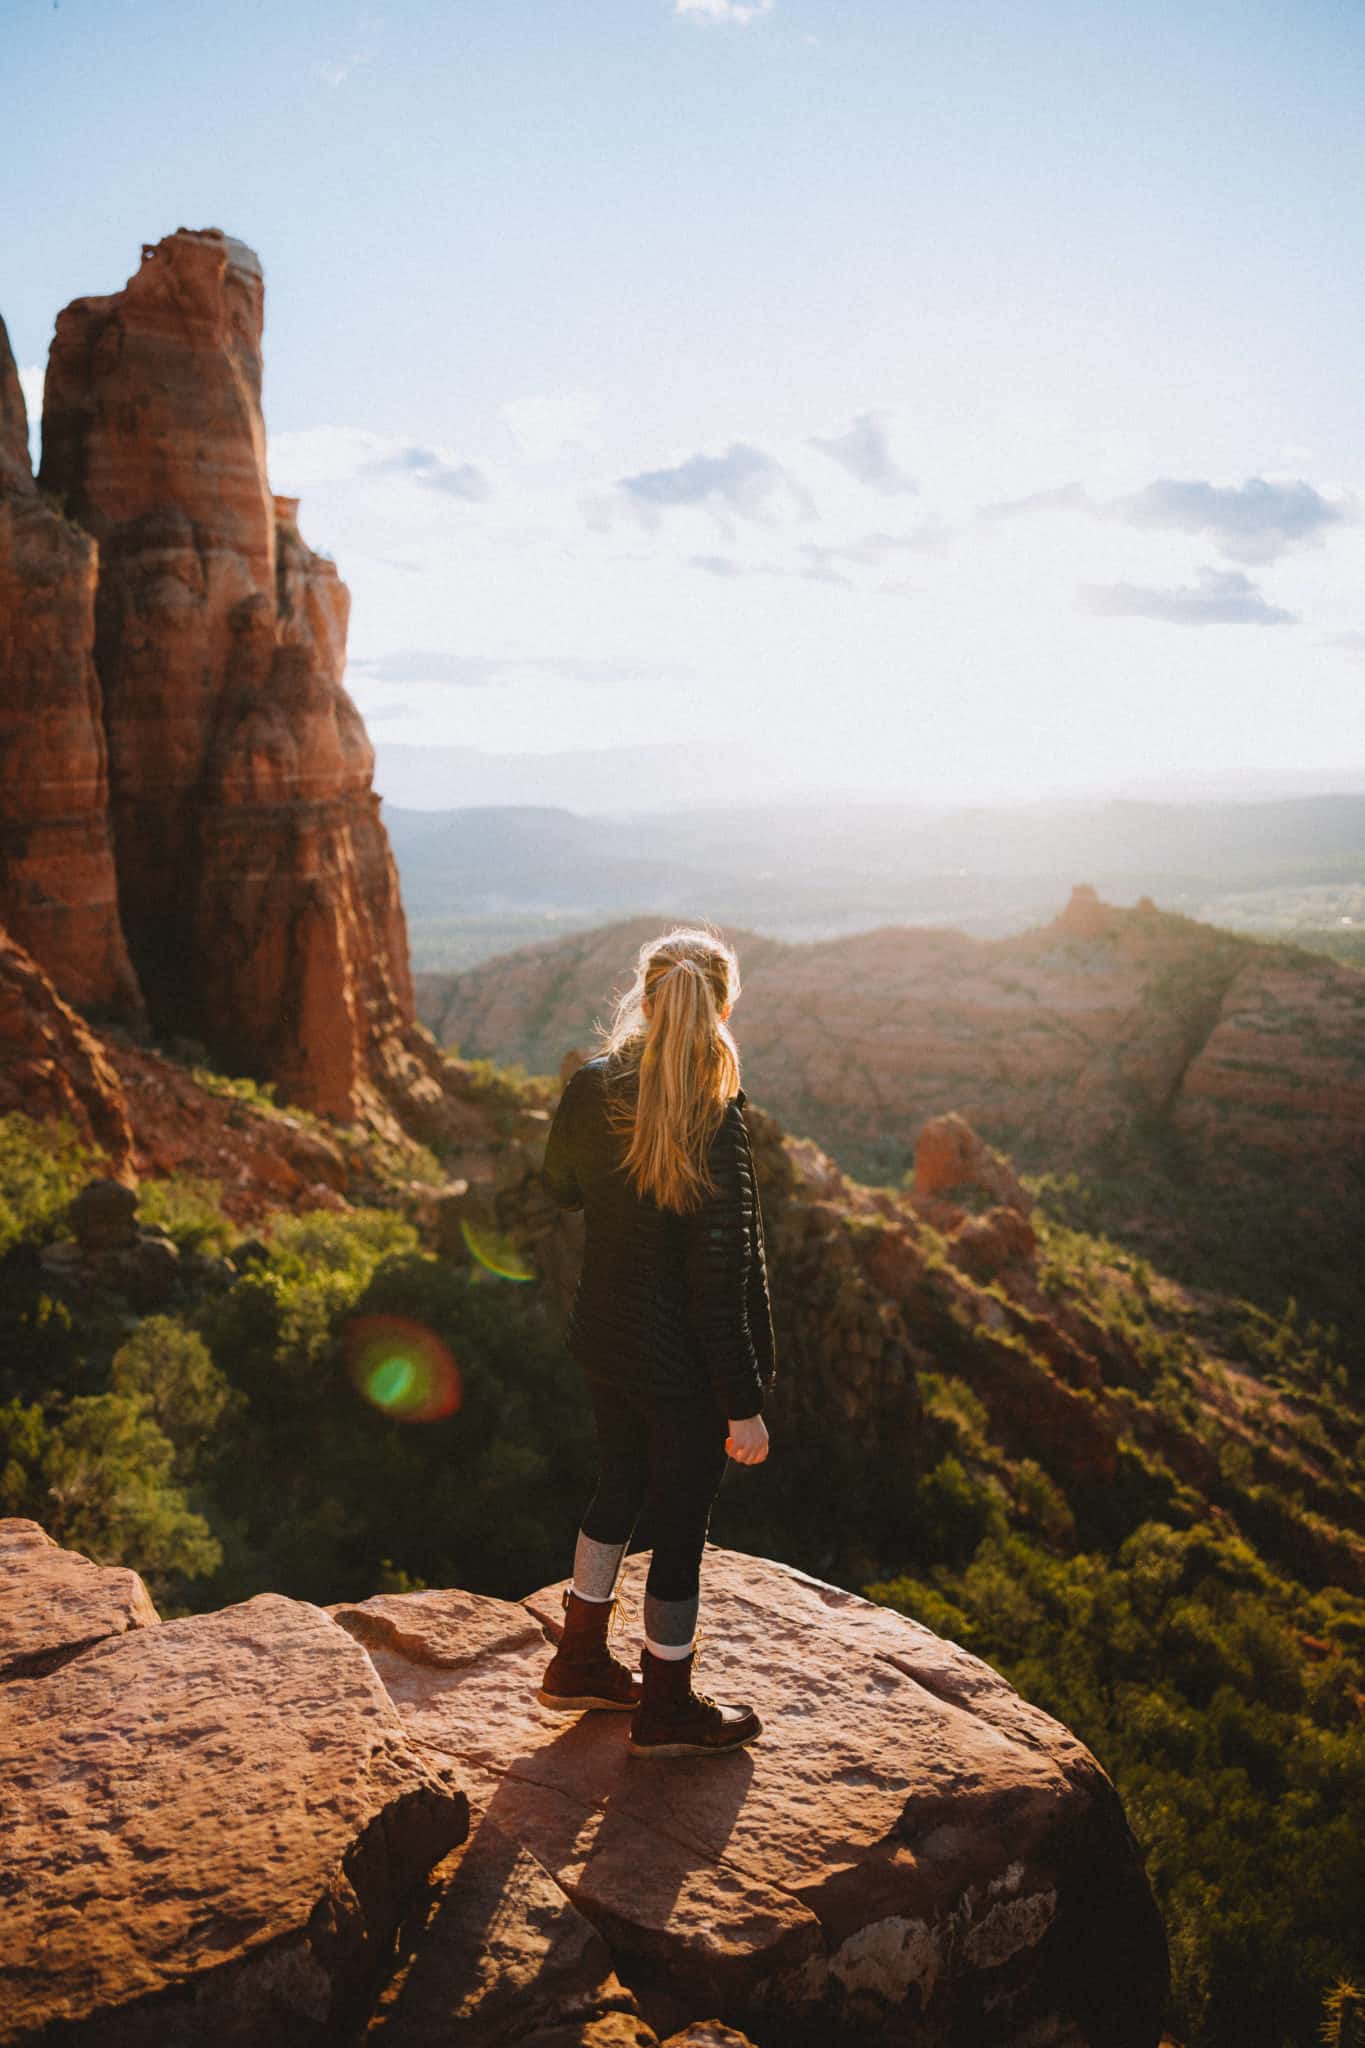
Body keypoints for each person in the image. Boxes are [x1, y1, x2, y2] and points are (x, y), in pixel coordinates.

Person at [536, 924, 776, 1758]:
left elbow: (559, 1190)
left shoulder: (592, 1086)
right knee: (679, 1526)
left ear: (643, 999)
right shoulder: (717, 1120)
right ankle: (666, 1707)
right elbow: (722, 1281)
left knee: (617, 1484)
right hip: (683, 1369)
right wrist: (743, 1404)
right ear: (723, 1005)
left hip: (604, 1340)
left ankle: (578, 1661)